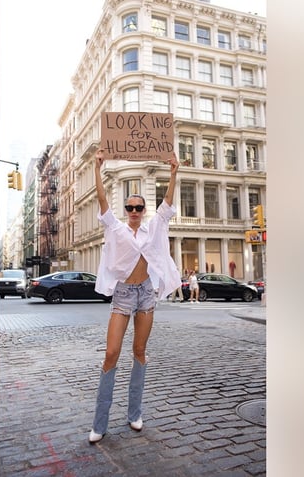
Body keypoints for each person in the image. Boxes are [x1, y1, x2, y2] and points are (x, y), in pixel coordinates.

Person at [88, 148, 181, 443]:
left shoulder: (154, 227)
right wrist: (98, 168)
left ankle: (134, 413)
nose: (134, 212)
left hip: (146, 295)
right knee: (111, 353)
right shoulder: (116, 228)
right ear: (125, 210)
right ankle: (99, 423)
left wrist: (174, 171)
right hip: (124, 294)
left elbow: (167, 202)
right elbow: (103, 202)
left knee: (139, 352)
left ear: (144, 210)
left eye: (139, 207)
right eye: (130, 207)